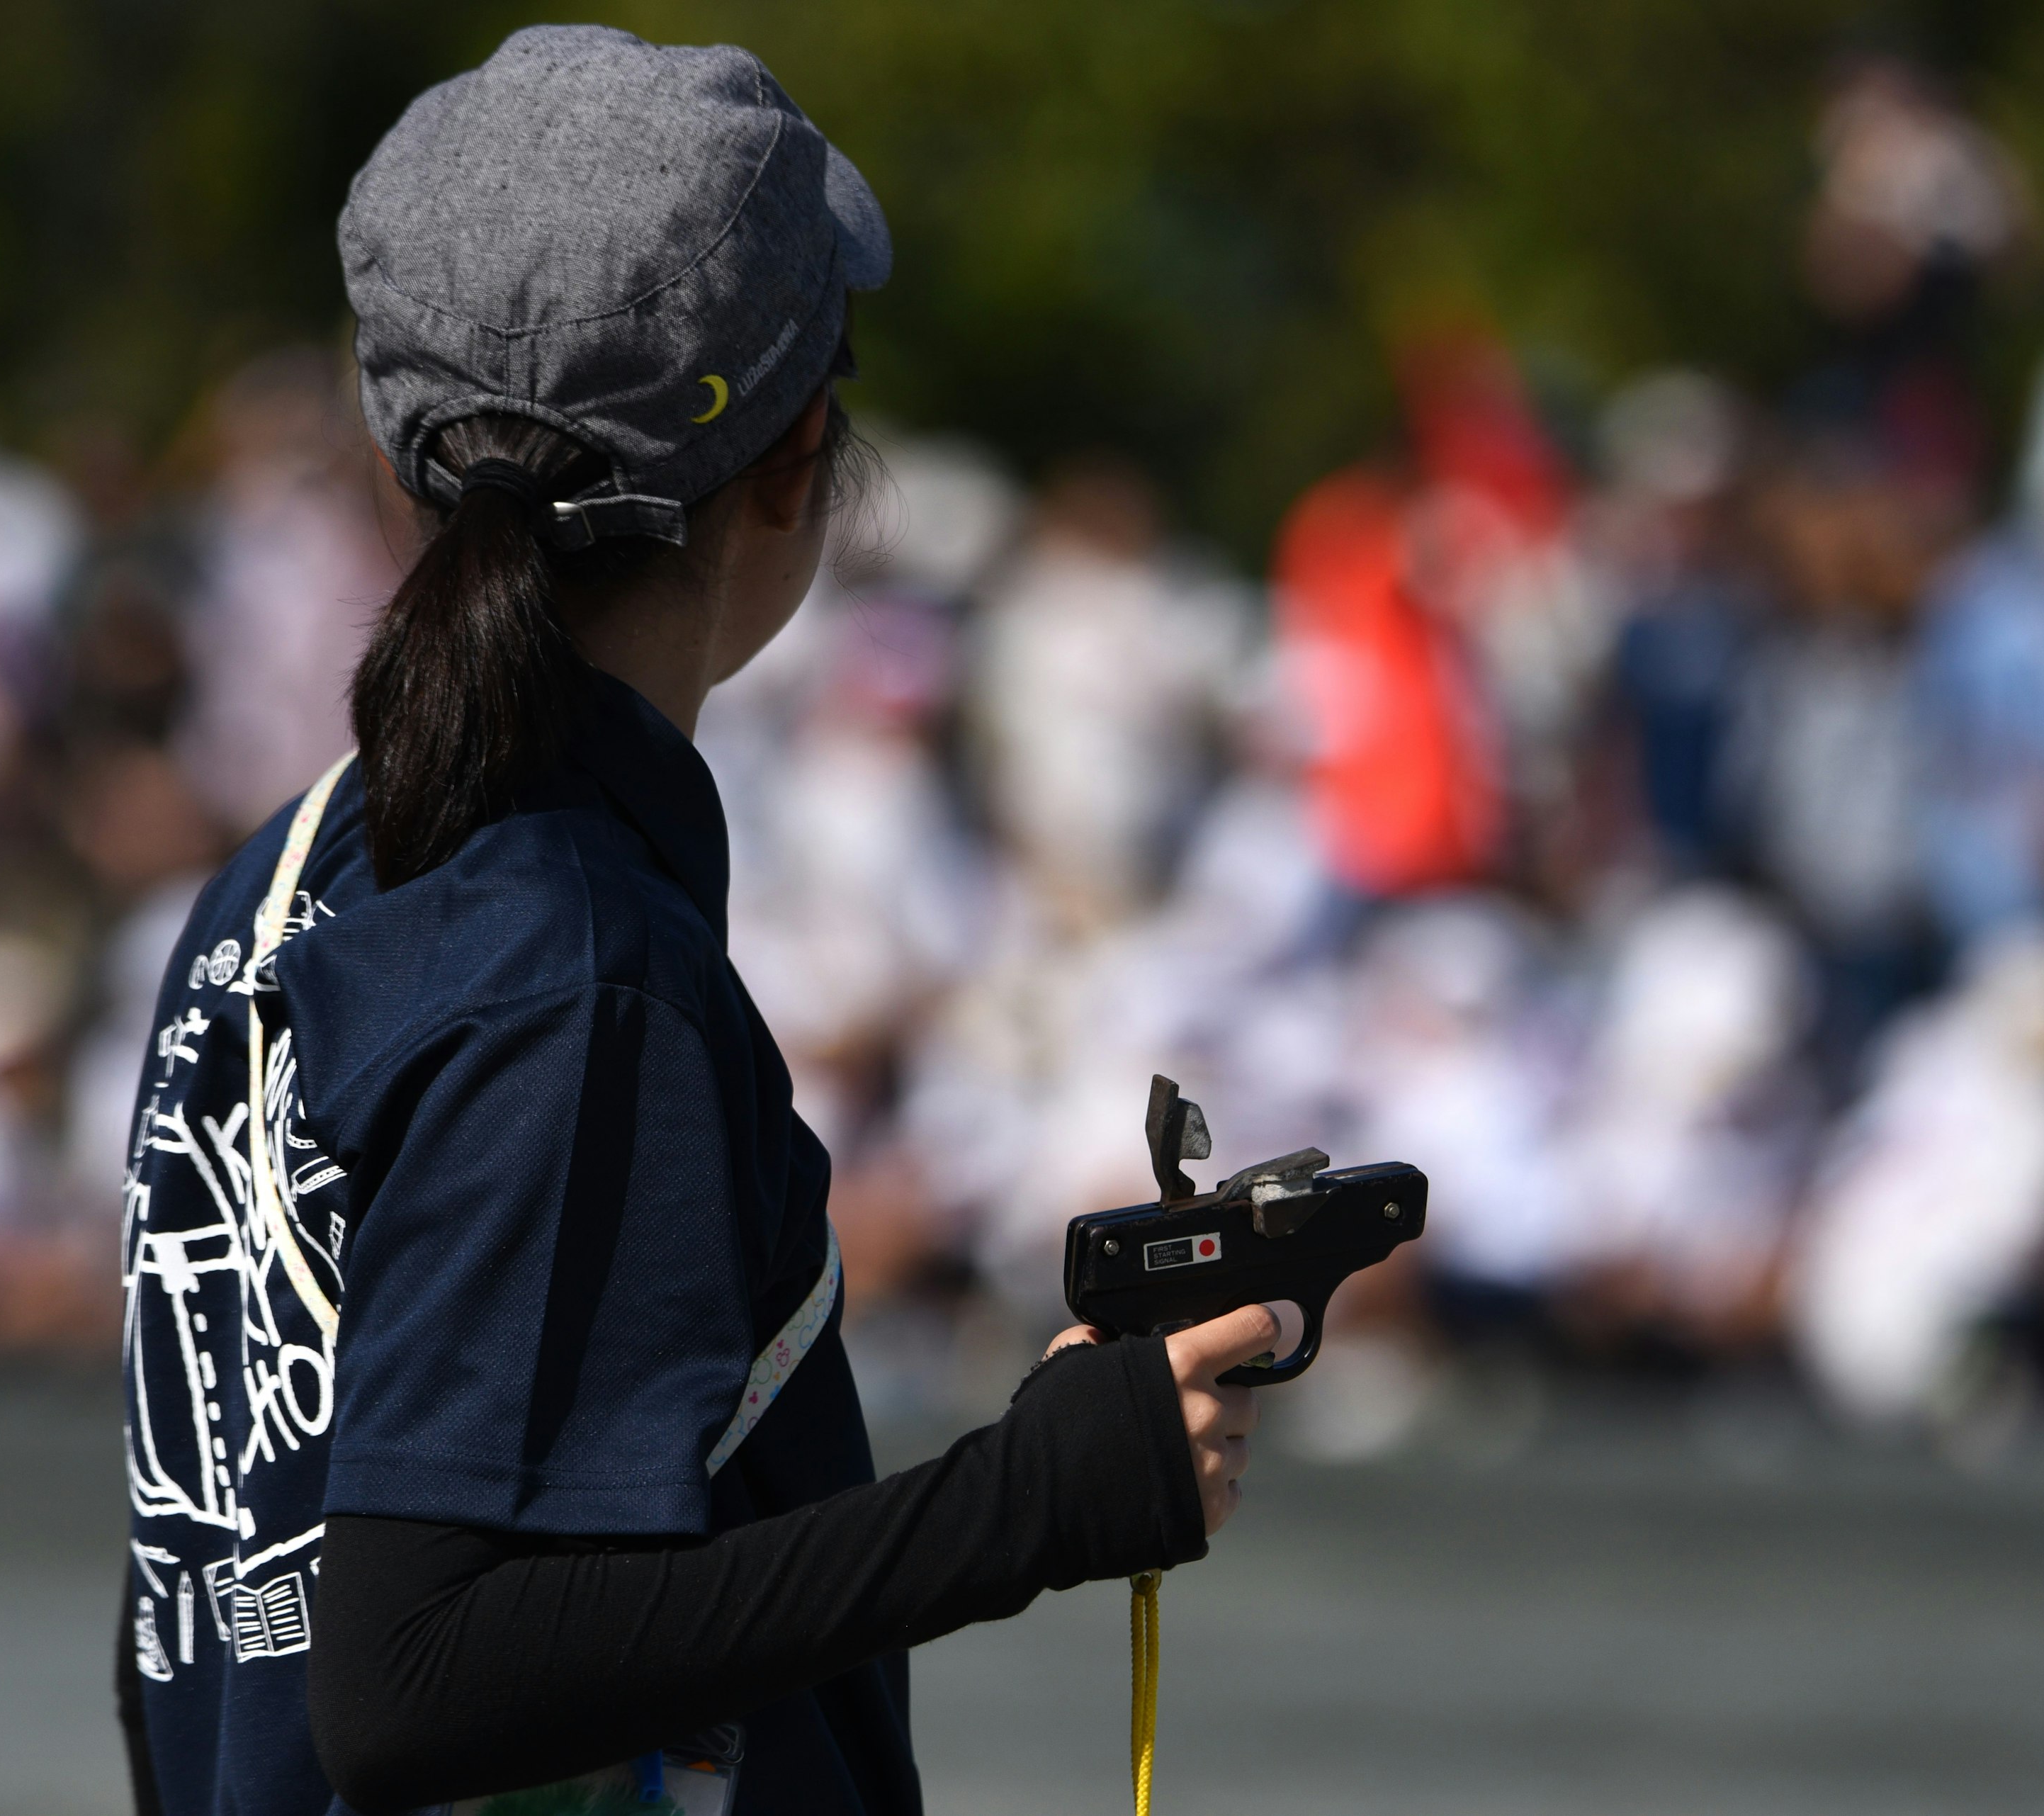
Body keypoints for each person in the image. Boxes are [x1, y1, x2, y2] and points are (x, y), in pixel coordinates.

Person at [114, 29, 1276, 1816]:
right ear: (801, 453)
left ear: (392, 453)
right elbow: (413, 1682)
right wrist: (1034, 1500)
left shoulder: (281, 882)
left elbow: (193, 1616)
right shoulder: (575, 965)